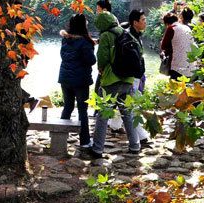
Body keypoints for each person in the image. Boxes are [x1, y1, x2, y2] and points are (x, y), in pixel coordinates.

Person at [85, 9, 143, 158]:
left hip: (112, 80)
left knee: (103, 115)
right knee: (127, 114)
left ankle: (97, 149)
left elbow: (102, 57)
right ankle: (135, 145)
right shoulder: (127, 33)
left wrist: (101, 70)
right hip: (128, 80)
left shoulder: (106, 35)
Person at [57, 14, 96, 148]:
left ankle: (60, 136)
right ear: (82, 26)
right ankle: (85, 141)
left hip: (65, 78)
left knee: (68, 106)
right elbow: (91, 60)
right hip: (80, 80)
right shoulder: (85, 42)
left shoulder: (65, 40)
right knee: (82, 110)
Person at [125, 9, 151, 148]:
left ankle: (114, 125)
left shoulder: (134, 35)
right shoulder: (130, 36)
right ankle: (141, 137)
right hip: (132, 77)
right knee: (134, 106)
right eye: (143, 20)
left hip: (135, 76)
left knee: (126, 104)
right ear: (135, 22)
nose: (145, 22)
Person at [169, 7, 196, 80]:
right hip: (191, 66)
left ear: (181, 16)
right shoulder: (195, 28)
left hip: (178, 65)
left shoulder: (178, 28)